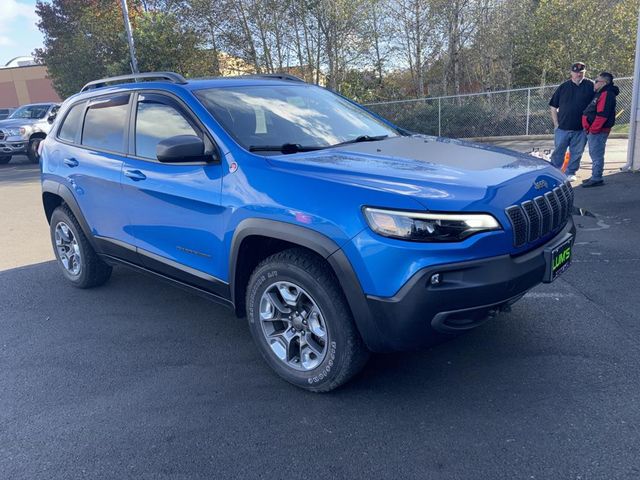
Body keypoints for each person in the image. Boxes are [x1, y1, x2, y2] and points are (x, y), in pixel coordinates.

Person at [548, 62, 595, 182]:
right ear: (571, 73)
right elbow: (553, 106)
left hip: (581, 129)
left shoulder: (591, 86)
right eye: (576, 72)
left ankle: (571, 172)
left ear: (584, 72)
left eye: (581, 72)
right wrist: (556, 124)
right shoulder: (563, 87)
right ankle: (555, 172)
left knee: (576, 153)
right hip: (562, 128)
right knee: (558, 152)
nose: (578, 74)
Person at [581, 72, 619, 187]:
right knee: (594, 153)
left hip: (598, 131)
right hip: (594, 130)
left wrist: (593, 130)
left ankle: (597, 178)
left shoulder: (607, 94)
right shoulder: (601, 93)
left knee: (596, 154)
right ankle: (595, 176)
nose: (595, 83)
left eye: (597, 81)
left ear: (604, 83)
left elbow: (602, 115)